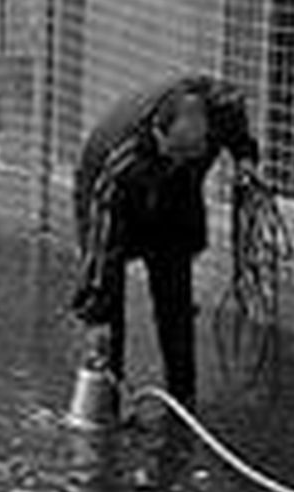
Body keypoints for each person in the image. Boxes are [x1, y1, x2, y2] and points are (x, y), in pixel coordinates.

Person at [71, 73, 262, 409]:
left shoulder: (220, 110)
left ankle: (182, 398)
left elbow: (236, 129)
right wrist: (95, 314)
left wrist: (245, 159)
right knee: (108, 309)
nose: (178, 159)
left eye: (189, 154)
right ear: (158, 134)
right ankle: (107, 399)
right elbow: (103, 248)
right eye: (173, 153)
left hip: (175, 201)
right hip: (113, 206)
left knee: (175, 300)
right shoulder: (120, 162)